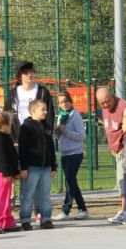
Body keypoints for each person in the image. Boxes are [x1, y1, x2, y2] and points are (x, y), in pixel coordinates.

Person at [18, 99, 57, 230]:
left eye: (46, 109)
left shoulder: (46, 126)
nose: (46, 112)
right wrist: (23, 167)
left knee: (45, 194)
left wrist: (53, 165)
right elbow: (22, 149)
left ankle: (46, 218)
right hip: (31, 167)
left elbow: (51, 147)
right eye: (43, 109)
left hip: (45, 167)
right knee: (28, 194)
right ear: (33, 111)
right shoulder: (26, 127)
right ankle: (25, 219)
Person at [96, 87, 126, 223]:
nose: (106, 105)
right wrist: (112, 146)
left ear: (112, 96)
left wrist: (125, 146)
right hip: (116, 150)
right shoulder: (105, 110)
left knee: (123, 181)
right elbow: (110, 129)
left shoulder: (124, 106)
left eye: (108, 101)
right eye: (102, 103)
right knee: (121, 182)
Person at [53, 91, 88, 221]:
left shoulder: (76, 115)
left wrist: (65, 131)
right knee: (71, 182)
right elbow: (59, 135)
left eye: (66, 101)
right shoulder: (61, 116)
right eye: (61, 102)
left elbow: (81, 136)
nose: (64, 104)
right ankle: (82, 209)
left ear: (70, 101)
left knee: (70, 181)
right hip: (65, 153)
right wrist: (58, 132)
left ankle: (66, 209)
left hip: (75, 153)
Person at [4, 60, 55, 141]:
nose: (29, 75)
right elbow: (7, 114)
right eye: (25, 73)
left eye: (31, 71)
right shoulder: (13, 94)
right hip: (18, 137)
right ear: (20, 76)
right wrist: (12, 137)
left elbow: (49, 114)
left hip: (38, 136)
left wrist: (47, 134)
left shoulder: (42, 92)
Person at [0, 112, 21, 234]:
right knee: (0, 198)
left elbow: (12, 155)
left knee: (7, 199)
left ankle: (7, 222)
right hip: (1, 172)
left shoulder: (6, 137)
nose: (11, 127)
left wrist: (15, 171)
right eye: (10, 124)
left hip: (7, 172)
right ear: (4, 125)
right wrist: (6, 173)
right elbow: (2, 157)